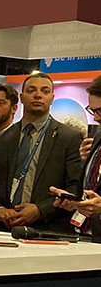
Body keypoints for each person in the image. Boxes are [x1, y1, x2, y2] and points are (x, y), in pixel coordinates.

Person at [0, 72, 82, 232]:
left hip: (47, 230)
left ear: (52, 98)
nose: (38, 95)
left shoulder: (69, 138)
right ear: (21, 97)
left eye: (45, 91)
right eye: (31, 90)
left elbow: (74, 188)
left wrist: (40, 210)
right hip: (2, 230)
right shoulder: (1, 139)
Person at [51, 75, 101, 234]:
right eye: (92, 110)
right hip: (85, 235)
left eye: (100, 111)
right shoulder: (97, 138)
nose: (95, 118)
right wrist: (76, 201)